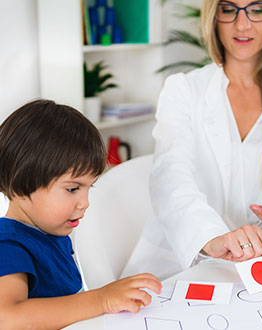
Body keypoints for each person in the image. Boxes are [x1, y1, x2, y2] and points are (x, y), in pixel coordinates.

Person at [123, 0, 262, 280]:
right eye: (229, 9)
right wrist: (212, 236)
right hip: (182, 263)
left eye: (257, 10)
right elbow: (170, 175)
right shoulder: (183, 90)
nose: (242, 24)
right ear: (214, 17)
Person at [0, 100, 162, 329]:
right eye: (72, 189)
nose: (85, 203)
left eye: (89, 188)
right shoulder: (7, 245)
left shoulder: (48, 232)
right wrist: (101, 299)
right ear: (20, 185)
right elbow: (7, 319)